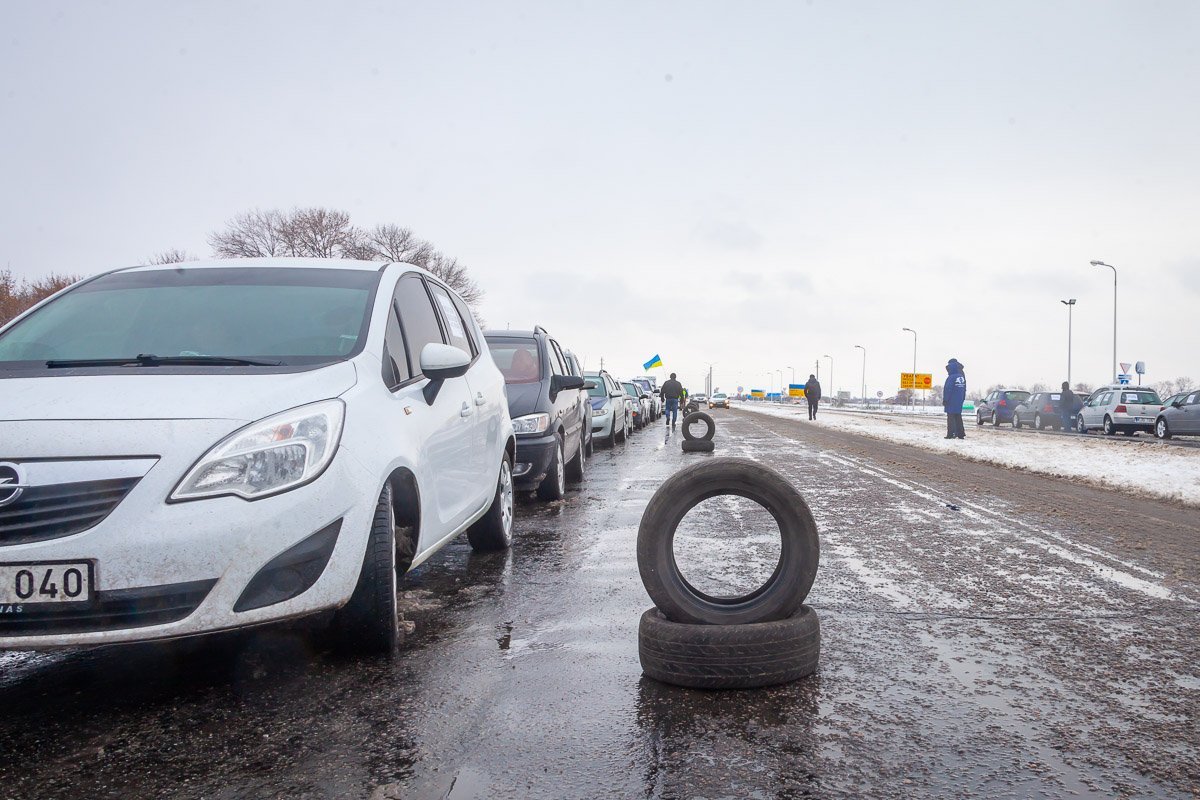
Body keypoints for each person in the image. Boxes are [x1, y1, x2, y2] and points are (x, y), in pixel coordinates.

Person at [943, 358, 967, 439]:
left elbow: (948, 389)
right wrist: (962, 398)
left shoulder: (951, 377)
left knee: (950, 417)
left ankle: (950, 434)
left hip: (951, 400)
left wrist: (945, 400)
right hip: (959, 399)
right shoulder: (961, 376)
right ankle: (961, 433)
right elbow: (964, 388)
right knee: (958, 416)